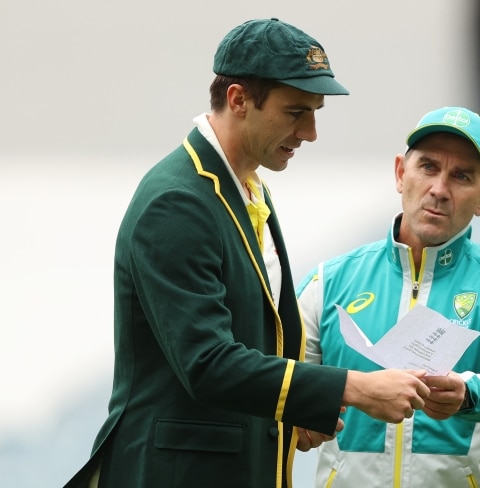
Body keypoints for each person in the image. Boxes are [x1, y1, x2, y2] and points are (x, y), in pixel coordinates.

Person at [63, 18, 431, 488]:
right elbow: (209, 364)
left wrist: (301, 407)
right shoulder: (175, 202)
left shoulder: (245, 186)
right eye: (296, 112)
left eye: (315, 112)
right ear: (237, 100)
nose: (312, 132)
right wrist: (352, 387)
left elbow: (258, 346)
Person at [296, 106, 480, 488]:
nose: (439, 189)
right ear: (401, 173)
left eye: (461, 176)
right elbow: (282, 381)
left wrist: (466, 395)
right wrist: (298, 418)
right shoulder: (327, 282)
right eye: (428, 167)